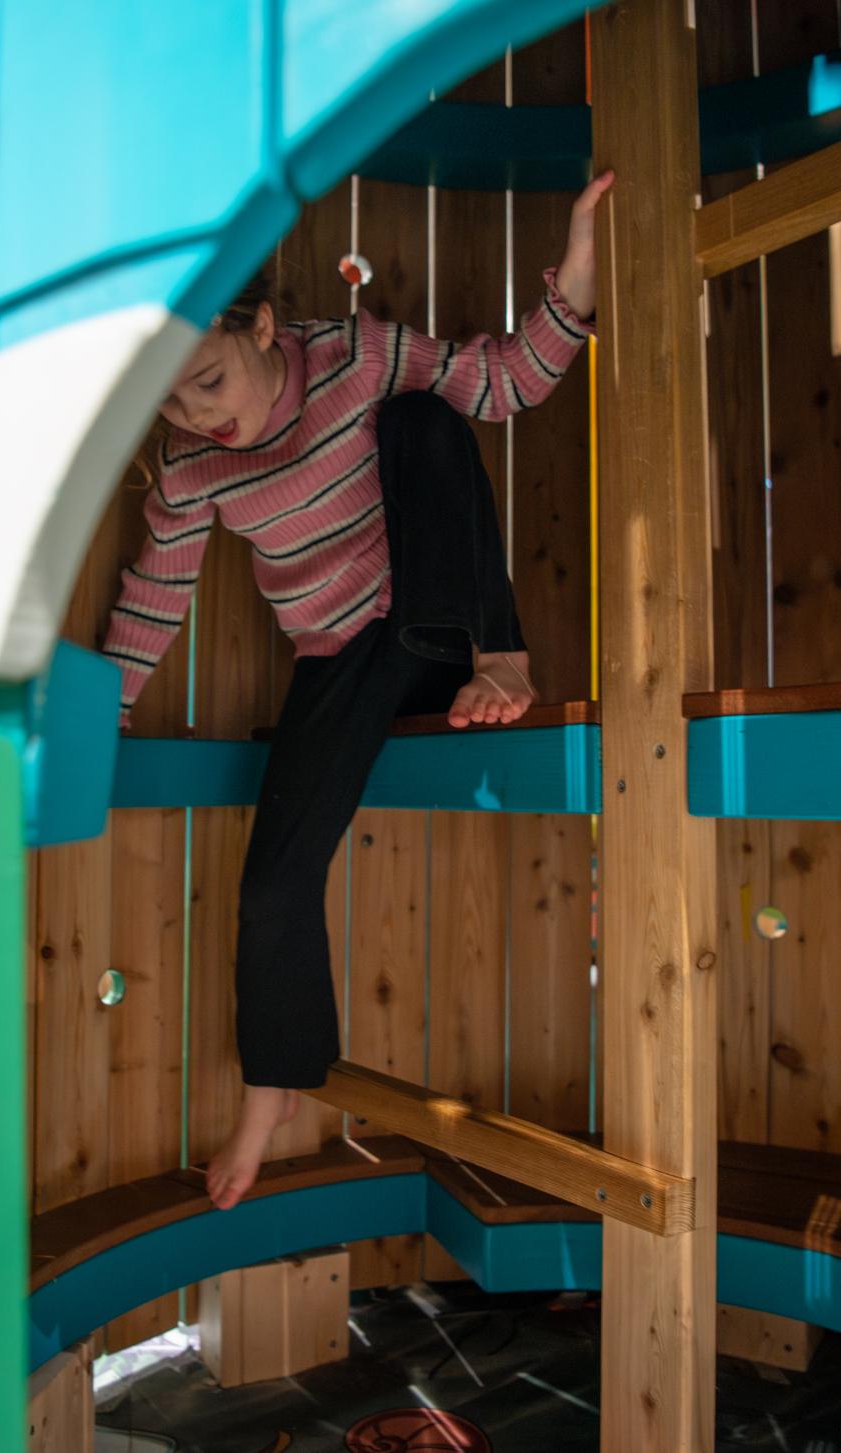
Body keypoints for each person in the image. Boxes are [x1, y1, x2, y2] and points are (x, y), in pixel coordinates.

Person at [103, 171, 614, 1210]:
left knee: (425, 420)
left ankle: (502, 652)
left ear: (259, 325)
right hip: (339, 662)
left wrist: (576, 274)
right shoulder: (192, 468)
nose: (197, 415)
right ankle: (272, 1090)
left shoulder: (355, 356)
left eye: (207, 381)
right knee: (271, 884)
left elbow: (501, 385)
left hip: (436, 628)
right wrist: (96, 721)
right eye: (169, 401)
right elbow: (154, 597)